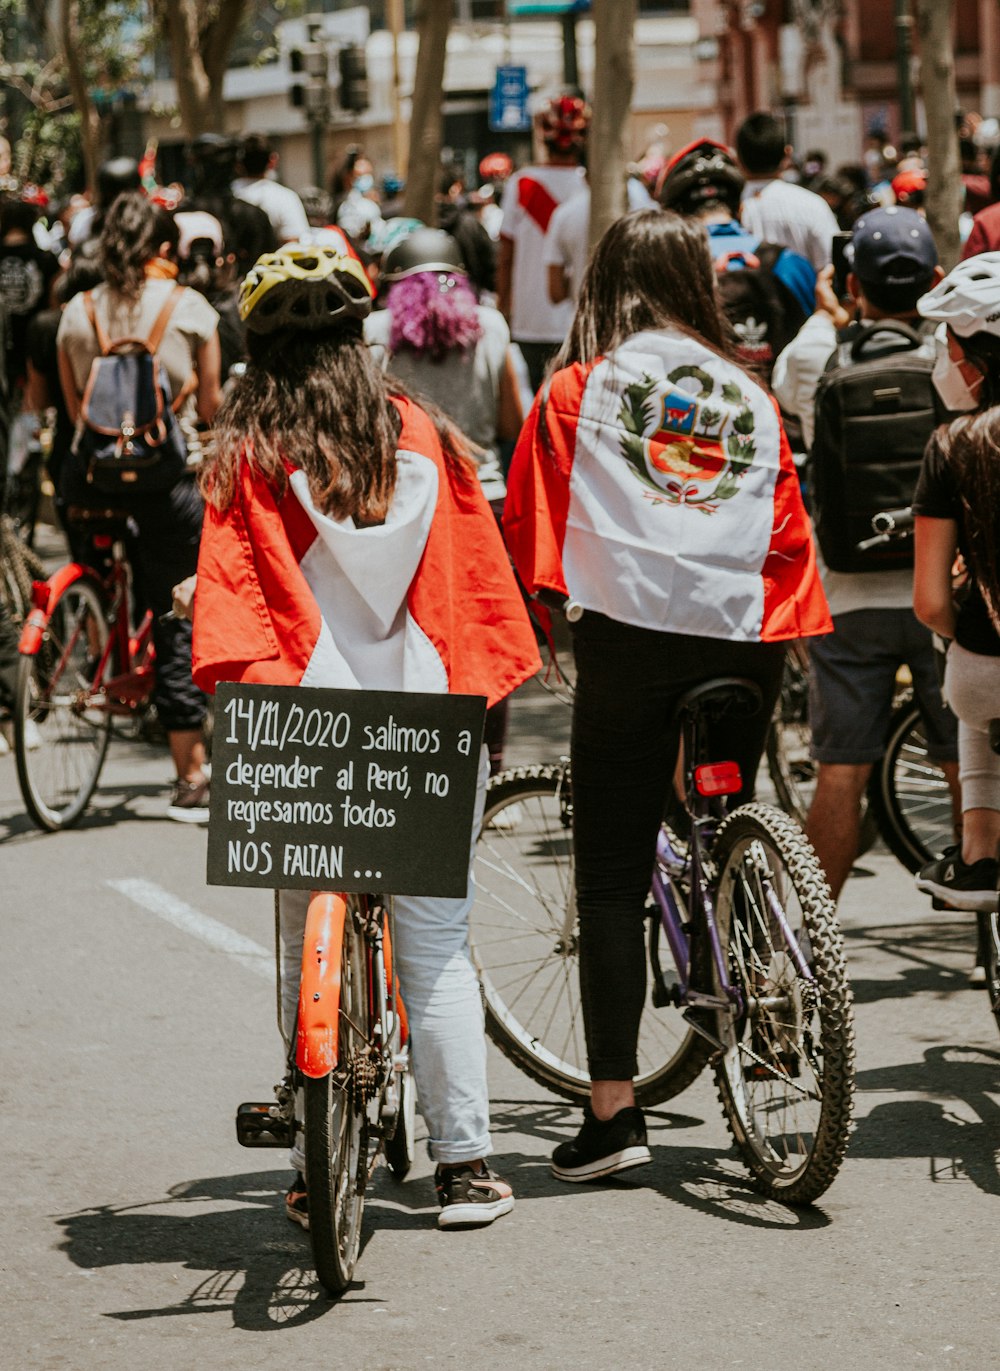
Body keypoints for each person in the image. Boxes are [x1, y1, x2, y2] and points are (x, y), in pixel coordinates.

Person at [187, 242, 540, 1228]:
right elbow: (473, 586)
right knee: (435, 951)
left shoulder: (247, 451)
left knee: (306, 934)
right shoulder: (422, 436)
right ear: (359, 338)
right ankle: (464, 1168)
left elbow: (240, 596)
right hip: (423, 728)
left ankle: (312, 1162)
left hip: (302, 732)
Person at [503, 210, 830, 1181]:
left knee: (607, 874)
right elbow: (785, 525)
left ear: (606, 284)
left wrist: (551, 620)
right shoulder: (752, 396)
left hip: (633, 644)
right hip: (748, 640)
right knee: (727, 806)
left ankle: (613, 1116)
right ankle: (768, 1006)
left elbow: (532, 523)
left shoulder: (575, 391)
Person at [771, 206, 960, 900]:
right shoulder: (953, 352)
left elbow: (790, 387)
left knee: (839, 773)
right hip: (941, 592)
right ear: (934, 280)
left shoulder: (817, 355)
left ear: (852, 285)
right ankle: (986, 916)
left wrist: (827, 314)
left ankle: (814, 945)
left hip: (847, 598)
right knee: (963, 762)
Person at [56, 192, 221, 821]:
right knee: (176, 614)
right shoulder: (189, 309)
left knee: (99, 570)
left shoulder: (77, 310)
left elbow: (76, 412)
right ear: (161, 248)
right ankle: (190, 776)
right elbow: (207, 407)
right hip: (164, 486)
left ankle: (92, 627)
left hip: (90, 486)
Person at [364, 226, 524, 773]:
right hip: (485, 498)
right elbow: (510, 419)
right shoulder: (492, 328)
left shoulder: (375, 332)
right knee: (484, 631)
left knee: (408, 633)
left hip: (404, 505)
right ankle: (491, 763)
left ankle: (416, 761)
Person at [912, 253, 1000, 917]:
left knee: (969, 679)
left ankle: (979, 853)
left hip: (988, 674)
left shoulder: (951, 445)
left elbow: (931, 601)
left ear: (973, 358)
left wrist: (960, 635)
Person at [496, 93, 589, 393]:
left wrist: (504, 309)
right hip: (582, 322)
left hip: (530, 320)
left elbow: (506, 255)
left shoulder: (522, 184)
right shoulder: (592, 185)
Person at [735, 112, 839, 271]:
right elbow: (831, 267)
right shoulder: (812, 205)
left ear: (737, 159)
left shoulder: (729, 209)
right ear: (787, 154)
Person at [232, 133, 310, 244]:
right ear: (273, 161)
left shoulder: (225, 194)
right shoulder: (285, 198)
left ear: (237, 164)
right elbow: (293, 243)